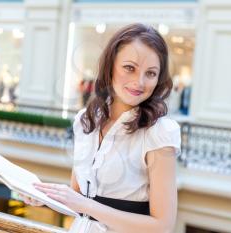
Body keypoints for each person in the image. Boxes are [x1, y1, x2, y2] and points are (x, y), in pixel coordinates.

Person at [20, 23, 181, 233]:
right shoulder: (85, 121)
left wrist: (85, 205)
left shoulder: (159, 132)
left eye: (150, 73)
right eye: (129, 68)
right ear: (110, 65)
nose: (139, 82)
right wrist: (44, 196)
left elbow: (162, 226)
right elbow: (79, 196)